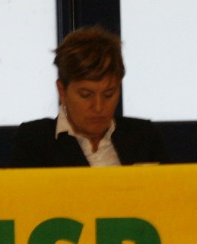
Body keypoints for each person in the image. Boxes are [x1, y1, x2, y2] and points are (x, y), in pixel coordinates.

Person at [10, 25, 167, 167]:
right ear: (62, 91)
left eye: (108, 94)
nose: (98, 107)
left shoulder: (143, 136)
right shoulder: (35, 141)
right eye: (86, 95)